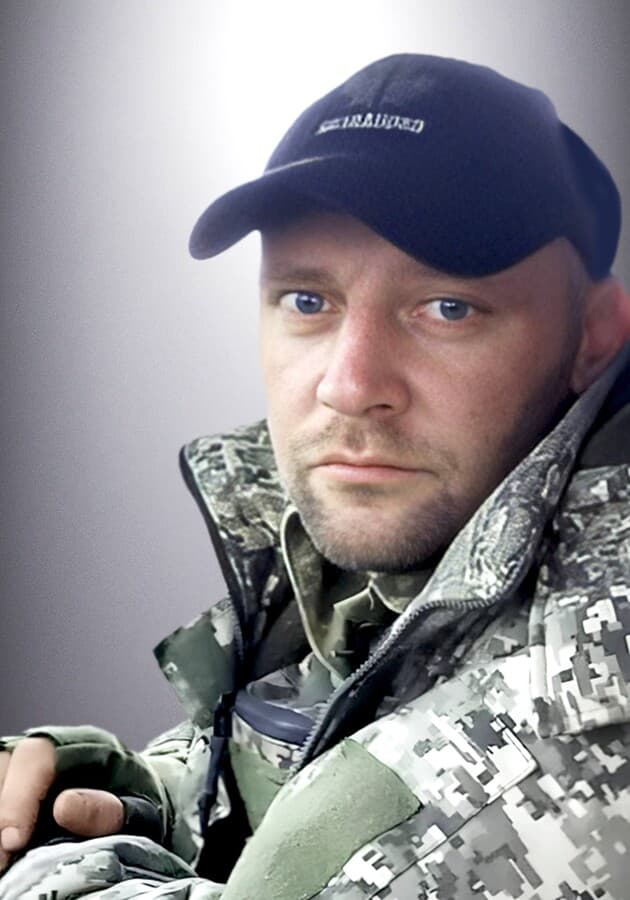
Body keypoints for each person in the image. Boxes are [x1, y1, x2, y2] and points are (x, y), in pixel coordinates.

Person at [1, 53, 629, 899]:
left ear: (594, 335)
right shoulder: (369, 573)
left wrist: (35, 868)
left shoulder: (580, 698)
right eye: (307, 301)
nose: (349, 384)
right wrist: (124, 800)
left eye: (447, 308)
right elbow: (313, 743)